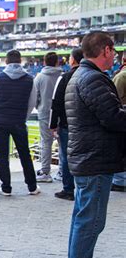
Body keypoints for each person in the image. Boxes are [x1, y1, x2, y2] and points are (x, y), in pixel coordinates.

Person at [64, 31, 126, 258]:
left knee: (85, 216)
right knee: (91, 219)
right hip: (94, 158)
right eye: (113, 50)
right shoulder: (92, 78)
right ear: (105, 51)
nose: (115, 55)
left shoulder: (85, 75)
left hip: (89, 156)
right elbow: (112, 117)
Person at [0, 49, 39, 196]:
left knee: (2, 156)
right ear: (20, 60)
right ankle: (32, 186)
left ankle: (6, 187)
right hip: (19, 121)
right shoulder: (30, 79)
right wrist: (23, 117)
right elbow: (32, 102)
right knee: (25, 154)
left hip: (1, 121)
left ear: (7, 61)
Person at [50, 48, 84, 200]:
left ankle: (68, 189)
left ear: (73, 60)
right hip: (86, 126)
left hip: (67, 124)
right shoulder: (94, 76)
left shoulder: (64, 77)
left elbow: (55, 103)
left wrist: (52, 124)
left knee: (66, 157)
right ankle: (83, 188)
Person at [34, 52, 62, 183]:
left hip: (45, 113)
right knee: (63, 143)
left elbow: (34, 97)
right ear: (57, 62)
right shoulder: (63, 76)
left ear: (44, 62)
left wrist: (40, 106)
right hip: (62, 114)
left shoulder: (39, 77)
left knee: (46, 143)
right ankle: (62, 171)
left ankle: (45, 172)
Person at [111, 52, 126, 192]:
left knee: (120, 150)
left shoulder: (121, 76)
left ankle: (120, 181)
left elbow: (113, 100)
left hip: (122, 119)